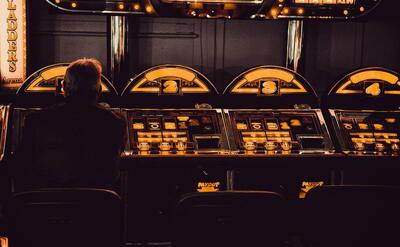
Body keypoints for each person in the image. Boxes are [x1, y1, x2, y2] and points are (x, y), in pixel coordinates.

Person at [12, 58, 126, 191]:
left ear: (64, 87)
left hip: (48, 204)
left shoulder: (36, 120)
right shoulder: (115, 121)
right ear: (99, 90)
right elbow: (115, 164)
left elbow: (20, 165)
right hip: (97, 205)